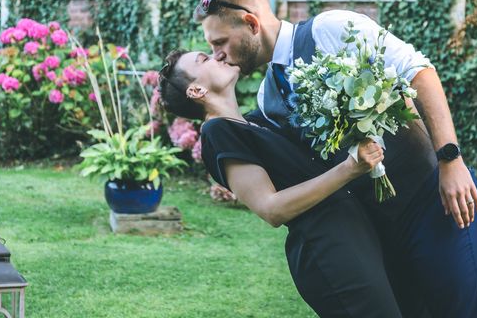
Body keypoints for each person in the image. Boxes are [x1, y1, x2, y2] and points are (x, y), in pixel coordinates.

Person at [192, 0, 477, 318]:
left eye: (220, 42)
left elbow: (419, 71)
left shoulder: (331, 29)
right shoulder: (267, 100)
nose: (217, 55)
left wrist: (450, 160)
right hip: (379, 232)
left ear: (250, 23)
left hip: (435, 204)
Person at [158, 49, 410, 317]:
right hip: (328, 249)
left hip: (355, 234)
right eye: (204, 60)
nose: (218, 55)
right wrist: (349, 169)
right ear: (196, 91)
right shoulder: (218, 133)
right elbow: (271, 209)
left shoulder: (255, 121)